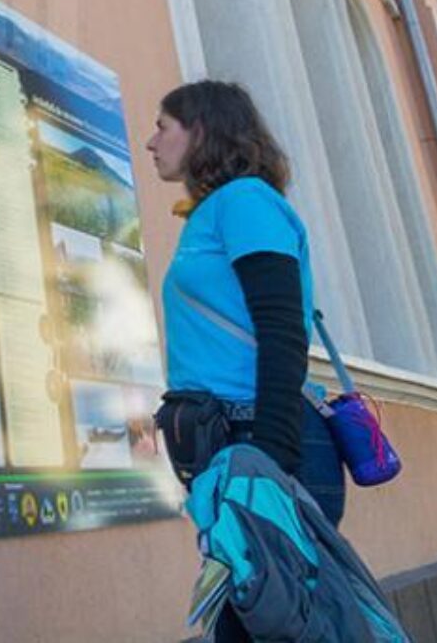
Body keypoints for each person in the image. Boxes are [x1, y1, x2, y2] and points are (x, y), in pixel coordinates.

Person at [146, 81, 347, 642]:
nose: (151, 142)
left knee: (263, 627)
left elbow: (281, 330)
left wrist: (269, 463)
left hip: (265, 443)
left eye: (163, 127)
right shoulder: (213, 213)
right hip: (233, 448)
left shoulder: (245, 202)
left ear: (201, 130)